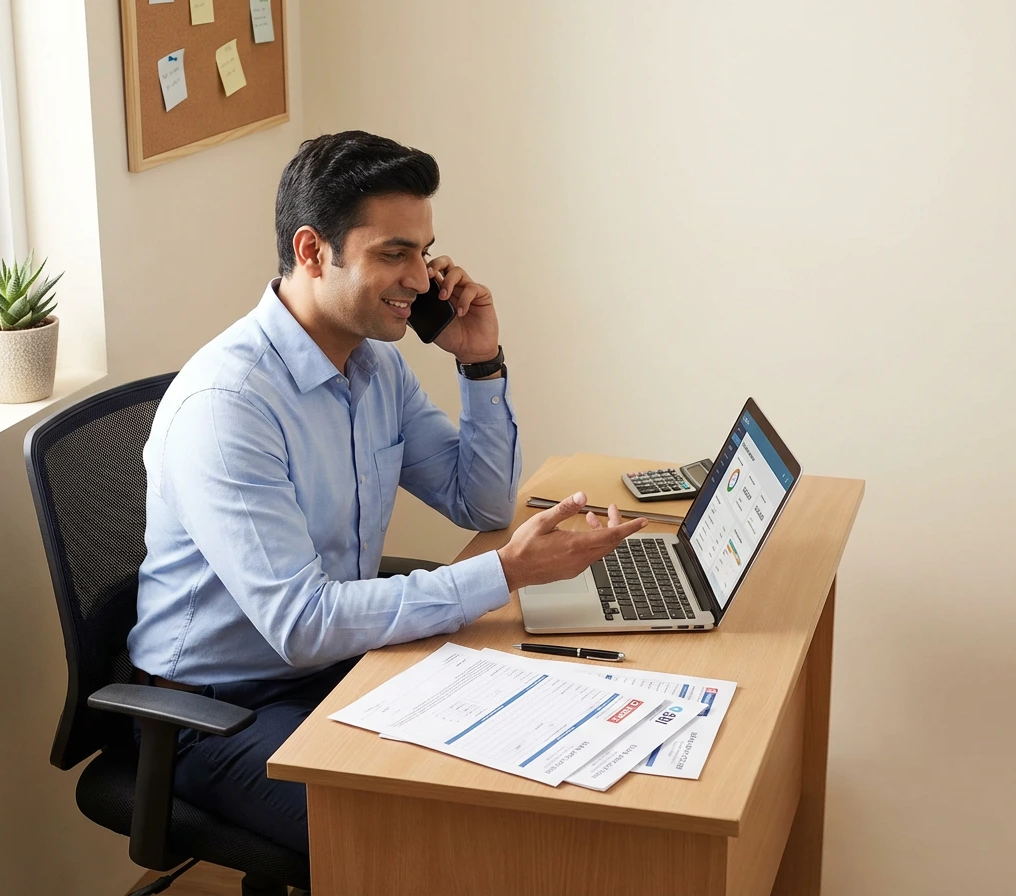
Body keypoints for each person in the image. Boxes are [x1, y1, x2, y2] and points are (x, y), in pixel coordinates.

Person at [126, 131, 647, 857]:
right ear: (313, 252)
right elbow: (303, 622)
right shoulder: (229, 407)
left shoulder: (373, 366)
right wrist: (503, 574)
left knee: (538, 767)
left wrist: (481, 362)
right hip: (220, 712)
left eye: (424, 252)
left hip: (343, 663)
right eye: (392, 253)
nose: (421, 278)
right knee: (430, 846)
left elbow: (484, 504)